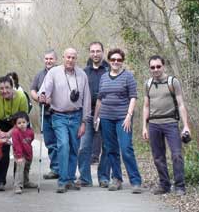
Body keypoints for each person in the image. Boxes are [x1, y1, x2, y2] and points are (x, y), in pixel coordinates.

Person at [40, 48, 91, 193]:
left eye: (73, 57)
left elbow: (86, 99)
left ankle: (70, 179)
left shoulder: (82, 75)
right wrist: (43, 96)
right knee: (63, 145)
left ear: (77, 58)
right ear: (63, 57)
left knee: (75, 148)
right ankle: (62, 181)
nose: (70, 60)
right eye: (68, 57)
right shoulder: (53, 73)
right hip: (59, 115)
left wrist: (84, 122)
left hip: (76, 116)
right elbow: (45, 90)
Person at [93, 48, 142, 194]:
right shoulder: (104, 77)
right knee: (110, 149)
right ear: (109, 61)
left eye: (119, 60)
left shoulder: (128, 77)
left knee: (126, 148)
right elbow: (100, 99)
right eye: (113, 59)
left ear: (122, 62)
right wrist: (96, 118)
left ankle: (136, 181)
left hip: (123, 118)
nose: (115, 62)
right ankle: (117, 179)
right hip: (106, 117)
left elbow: (133, 97)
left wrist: (128, 115)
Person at [142, 55, 190, 196]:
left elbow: (181, 104)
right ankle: (164, 185)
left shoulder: (172, 82)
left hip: (170, 123)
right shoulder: (147, 84)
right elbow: (146, 106)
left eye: (158, 66)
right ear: (149, 68)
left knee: (176, 155)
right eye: (152, 67)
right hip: (154, 125)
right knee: (158, 156)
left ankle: (180, 186)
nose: (155, 69)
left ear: (163, 66)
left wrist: (186, 126)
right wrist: (144, 127)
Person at [77, 42, 111, 187]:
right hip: (88, 113)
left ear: (103, 52)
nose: (95, 54)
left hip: (107, 113)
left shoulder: (110, 70)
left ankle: (104, 178)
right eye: (92, 51)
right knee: (84, 147)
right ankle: (85, 178)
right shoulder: (83, 72)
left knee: (107, 146)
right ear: (89, 53)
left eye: (98, 51)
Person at [0, 75, 28, 191]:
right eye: (1, 88)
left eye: (7, 88)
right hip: (1, 122)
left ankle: (19, 181)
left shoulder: (21, 97)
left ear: (12, 86)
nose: (4, 91)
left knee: (20, 150)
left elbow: (23, 119)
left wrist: (10, 133)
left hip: (19, 123)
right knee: (2, 149)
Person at [30, 49, 59, 179]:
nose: (48, 61)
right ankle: (55, 169)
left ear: (56, 60)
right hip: (44, 113)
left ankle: (64, 169)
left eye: (51, 59)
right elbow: (32, 90)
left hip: (59, 113)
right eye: (46, 59)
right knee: (50, 143)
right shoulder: (39, 75)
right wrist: (37, 98)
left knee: (62, 142)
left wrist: (52, 99)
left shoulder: (61, 73)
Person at [11, 111, 37, 194]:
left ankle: (26, 182)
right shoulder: (15, 132)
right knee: (20, 169)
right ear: (15, 124)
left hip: (28, 153)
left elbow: (31, 139)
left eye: (24, 122)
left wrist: (29, 153)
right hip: (19, 154)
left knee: (26, 168)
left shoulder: (30, 132)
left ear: (28, 122)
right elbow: (16, 145)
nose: (22, 124)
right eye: (19, 123)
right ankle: (17, 185)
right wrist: (19, 156)